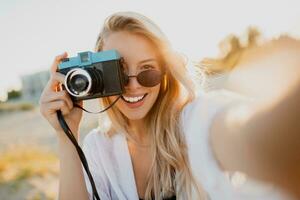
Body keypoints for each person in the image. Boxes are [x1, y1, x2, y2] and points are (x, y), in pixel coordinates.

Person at [39, 12, 300, 200]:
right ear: (97, 75)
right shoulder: (99, 147)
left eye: (148, 71)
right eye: (118, 72)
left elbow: (247, 136)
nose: (133, 86)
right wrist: (66, 134)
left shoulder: (194, 121)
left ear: (166, 72)